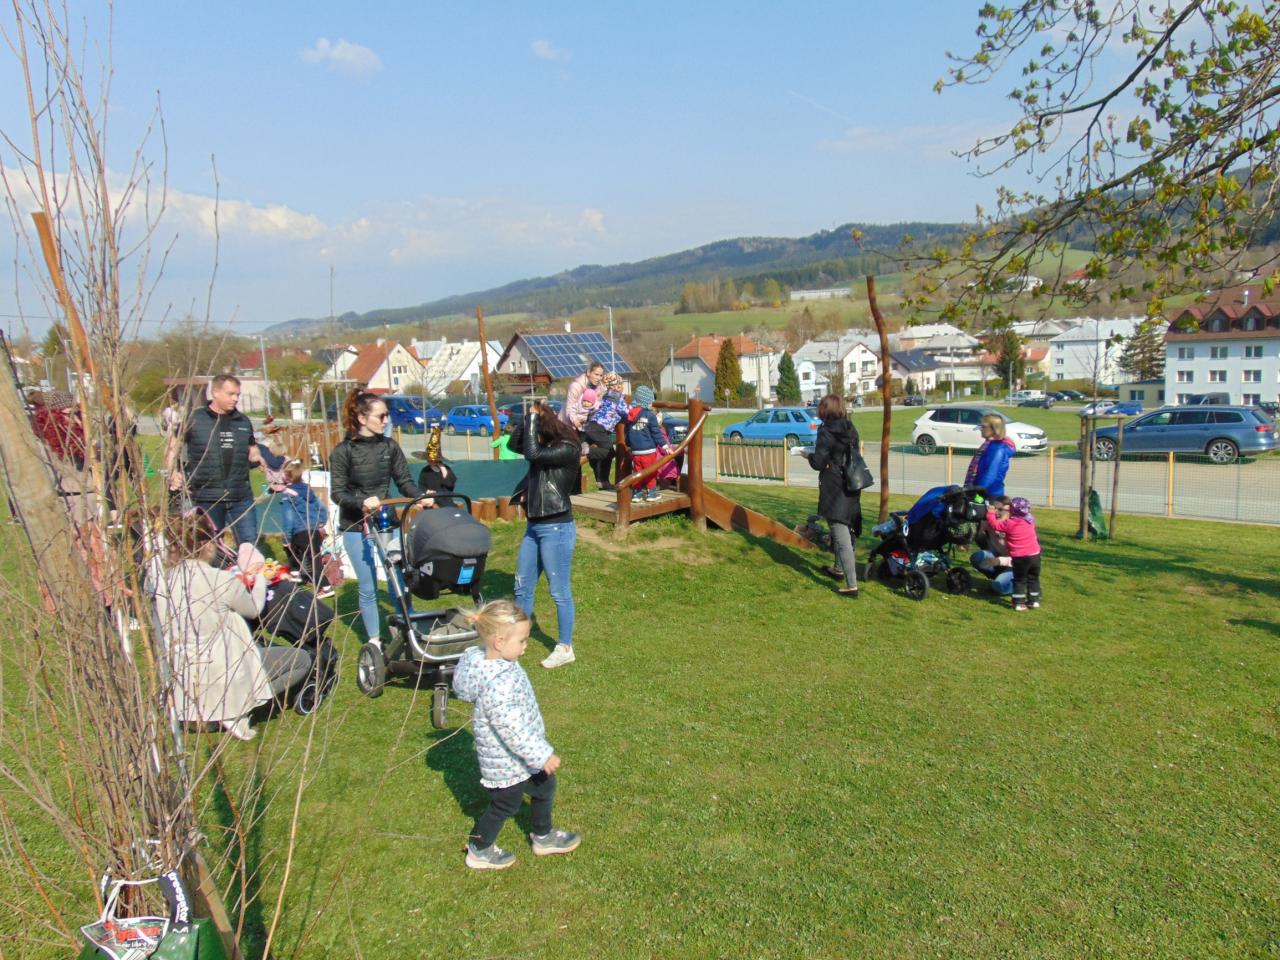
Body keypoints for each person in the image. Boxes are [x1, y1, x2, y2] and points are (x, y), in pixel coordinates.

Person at [156, 515, 312, 741]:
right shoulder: (219, 580)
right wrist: (260, 579)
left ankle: (206, 712)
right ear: (207, 544)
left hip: (183, 676)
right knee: (301, 660)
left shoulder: (163, 584)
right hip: (224, 669)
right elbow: (253, 609)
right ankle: (238, 709)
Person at [452, 600, 580, 870]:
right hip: (507, 762)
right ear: (499, 642)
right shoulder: (497, 684)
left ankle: (543, 836)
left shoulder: (498, 663)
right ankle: (479, 849)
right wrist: (542, 755)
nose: (525, 646)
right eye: (522, 640)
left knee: (545, 786)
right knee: (505, 805)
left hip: (521, 757)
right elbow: (513, 730)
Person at [329, 389, 421, 647]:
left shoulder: (389, 446)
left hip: (386, 521)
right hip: (355, 525)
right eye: (381, 416)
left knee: (397, 578)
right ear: (362, 418)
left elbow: (404, 481)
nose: (386, 420)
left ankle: (410, 629)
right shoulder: (343, 451)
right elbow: (337, 493)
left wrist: (420, 497)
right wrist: (361, 503)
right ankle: (374, 641)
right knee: (368, 586)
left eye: (387, 415)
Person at [513, 401, 580, 669]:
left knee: (559, 590)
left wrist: (533, 420)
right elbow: (515, 445)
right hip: (534, 527)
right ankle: (517, 639)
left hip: (557, 528)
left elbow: (531, 452)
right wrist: (526, 418)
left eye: (534, 426)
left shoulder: (567, 448)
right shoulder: (545, 445)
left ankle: (565, 647)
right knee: (522, 585)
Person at [166, 374, 261, 547]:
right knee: (210, 548)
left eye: (238, 394)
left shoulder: (243, 421)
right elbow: (173, 446)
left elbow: (253, 450)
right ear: (215, 393)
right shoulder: (195, 419)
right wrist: (173, 472)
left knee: (249, 546)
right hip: (208, 497)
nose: (235, 399)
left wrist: (261, 459)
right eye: (231, 394)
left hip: (240, 496)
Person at [805, 393, 862, 597]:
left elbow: (818, 462)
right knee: (842, 527)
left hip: (835, 486)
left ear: (825, 410)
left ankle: (852, 585)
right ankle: (837, 569)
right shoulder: (850, 427)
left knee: (840, 532)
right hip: (852, 483)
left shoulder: (826, 431)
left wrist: (807, 455)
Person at [279, 459, 332, 598]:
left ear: (287, 476)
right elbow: (321, 507)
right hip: (314, 531)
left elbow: (288, 519)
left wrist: (286, 538)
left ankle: (325, 586)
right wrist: (321, 522)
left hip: (300, 531)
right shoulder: (308, 490)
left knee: (292, 549)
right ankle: (297, 574)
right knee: (311, 557)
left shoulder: (288, 495)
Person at [984, 496, 1042, 611]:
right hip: (1035, 555)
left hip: (1020, 557)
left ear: (1013, 510)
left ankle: (1019, 603)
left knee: (1020, 580)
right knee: (1033, 578)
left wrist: (990, 513)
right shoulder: (1030, 520)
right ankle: (1034, 600)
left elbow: (995, 525)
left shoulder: (1010, 523)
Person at [624, 386, 671, 502]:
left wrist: (629, 444)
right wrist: (665, 446)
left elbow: (627, 432)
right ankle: (651, 493)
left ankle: (637, 494)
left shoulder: (630, 415)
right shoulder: (650, 416)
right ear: (647, 402)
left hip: (636, 451)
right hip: (648, 450)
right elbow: (656, 433)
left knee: (638, 472)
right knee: (650, 471)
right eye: (650, 401)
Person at [583, 373, 627, 490]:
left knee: (604, 453)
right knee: (609, 452)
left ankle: (602, 481)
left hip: (591, 426)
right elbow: (625, 412)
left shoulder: (606, 395)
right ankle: (588, 450)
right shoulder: (618, 398)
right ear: (617, 386)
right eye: (621, 384)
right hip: (599, 428)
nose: (622, 387)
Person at [965, 414, 1016, 498]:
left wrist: (976, 494)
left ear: (994, 429)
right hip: (982, 492)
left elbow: (990, 474)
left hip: (989, 494)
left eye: (984, 426)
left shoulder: (997, 448)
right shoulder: (988, 445)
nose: (981, 429)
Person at [560, 362, 604, 435]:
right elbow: (569, 409)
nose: (598, 378)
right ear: (588, 372)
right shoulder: (576, 386)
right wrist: (575, 421)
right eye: (596, 374)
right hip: (568, 425)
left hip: (586, 426)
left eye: (601, 375)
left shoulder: (600, 388)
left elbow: (597, 407)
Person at [419, 425, 457, 499]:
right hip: (429, 499)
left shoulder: (447, 469)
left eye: (433, 459)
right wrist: (427, 491)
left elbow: (450, 485)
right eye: (429, 459)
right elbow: (421, 487)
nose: (431, 461)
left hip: (445, 499)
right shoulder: (425, 471)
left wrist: (442, 468)